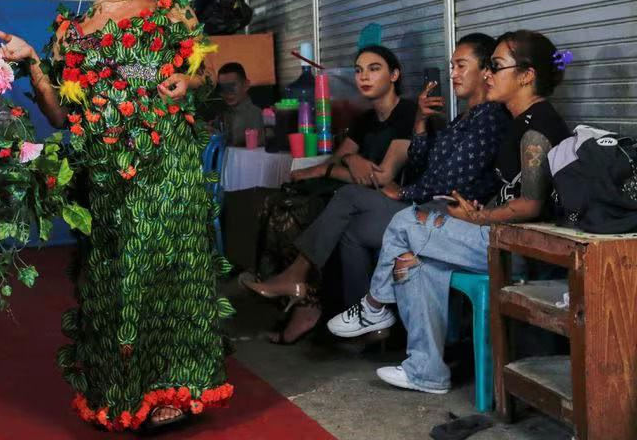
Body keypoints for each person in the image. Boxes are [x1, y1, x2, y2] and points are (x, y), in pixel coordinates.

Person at [0, 0, 230, 432]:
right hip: (104, 175)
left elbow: (206, 76)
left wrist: (188, 84)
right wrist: (32, 63)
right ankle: (121, 392)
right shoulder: (70, 34)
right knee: (113, 276)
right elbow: (64, 117)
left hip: (166, 167)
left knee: (165, 271)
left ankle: (174, 391)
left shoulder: (169, 11)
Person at [326, 30, 571, 396]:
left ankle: (375, 305)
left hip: (520, 250)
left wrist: (481, 217)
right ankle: (426, 372)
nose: (488, 75)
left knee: (405, 222)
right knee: (411, 262)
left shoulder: (535, 127)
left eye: (496, 67)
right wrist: (482, 209)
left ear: (526, 75)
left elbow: (532, 206)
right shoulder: (515, 119)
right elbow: (510, 191)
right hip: (500, 234)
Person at [243, 34, 509, 344]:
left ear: (487, 71)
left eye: (461, 66)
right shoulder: (460, 117)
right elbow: (422, 163)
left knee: (346, 199)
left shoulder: (488, 118)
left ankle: (309, 285)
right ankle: (365, 319)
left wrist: (402, 192)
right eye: (451, 66)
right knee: (346, 226)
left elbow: (442, 180)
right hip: (421, 203)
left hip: (441, 213)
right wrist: (422, 124)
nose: (452, 74)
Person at [243, 44, 416, 342]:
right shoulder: (364, 120)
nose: (364, 76)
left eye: (374, 69)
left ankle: (300, 290)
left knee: (319, 207)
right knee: (285, 204)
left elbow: (380, 177)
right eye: (359, 70)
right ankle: (303, 301)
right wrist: (351, 160)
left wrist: (324, 171)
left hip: (395, 202)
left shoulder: (408, 113)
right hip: (360, 201)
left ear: (394, 74)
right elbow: (338, 158)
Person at [215, 62, 263, 146]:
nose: (228, 92)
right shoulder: (222, 116)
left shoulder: (259, 116)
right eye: (223, 88)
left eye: (232, 86)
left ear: (246, 85)